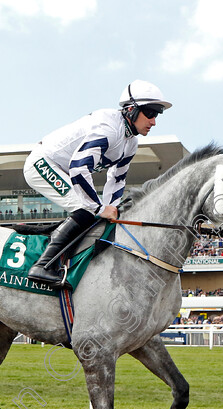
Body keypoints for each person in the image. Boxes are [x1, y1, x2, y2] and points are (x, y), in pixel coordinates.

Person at [23, 80, 172, 288]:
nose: (154, 121)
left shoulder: (131, 142)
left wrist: (113, 208)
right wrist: (100, 208)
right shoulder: (109, 129)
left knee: (97, 214)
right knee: (87, 209)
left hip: (66, 169)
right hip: (43, 164)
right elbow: (78, 168)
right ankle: (43, 266)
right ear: (131, 110)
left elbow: (117, 178)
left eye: (157, 115)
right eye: (150, 113)